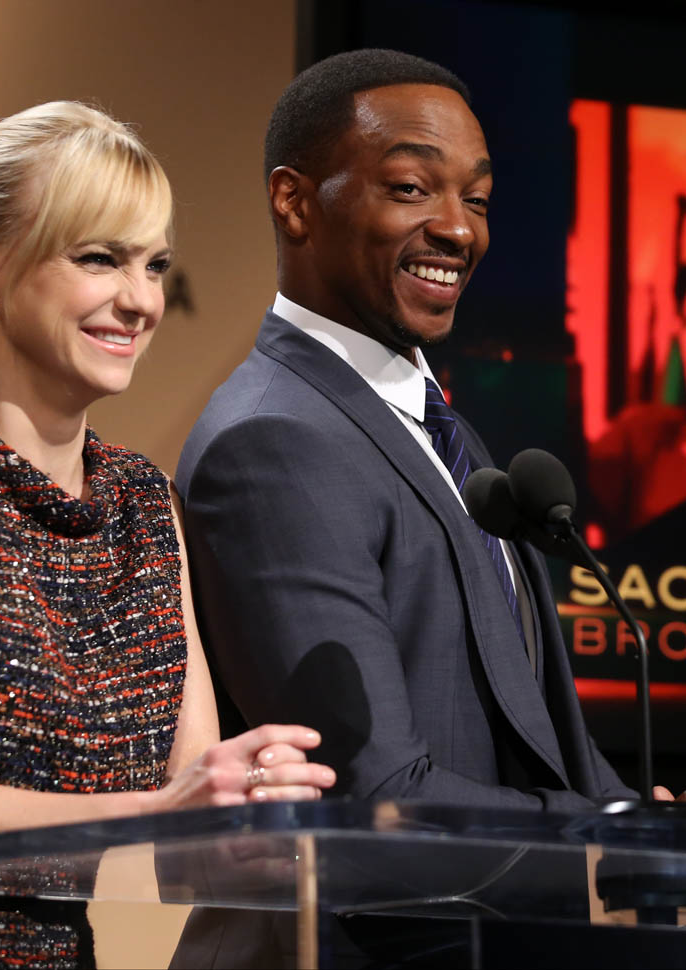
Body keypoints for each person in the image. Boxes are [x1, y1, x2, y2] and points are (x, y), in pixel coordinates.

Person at [0, 101, 335, 969]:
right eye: (98, 259)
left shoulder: (145, 506)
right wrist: (159, 813)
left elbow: (186, 839)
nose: (140, 300)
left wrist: (259, 815)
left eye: (154, 266)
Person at [176, 48, 660, 814]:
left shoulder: (442, 430)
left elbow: (535, 728)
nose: (459, 230)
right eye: (410, 188)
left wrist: (639, 818)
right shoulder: (271, 444)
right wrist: (594, 828)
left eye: (479, 199)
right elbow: (375, 796)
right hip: (382, 901)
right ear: (295, 202)